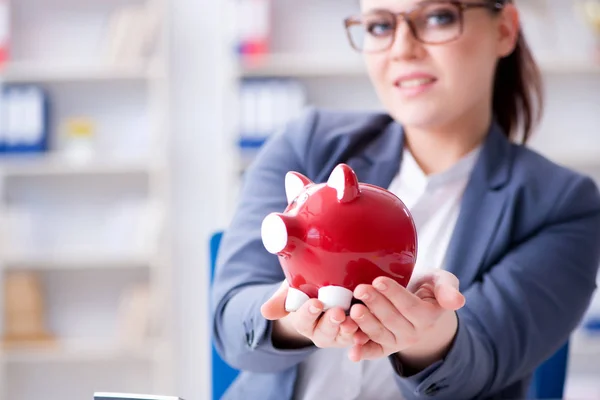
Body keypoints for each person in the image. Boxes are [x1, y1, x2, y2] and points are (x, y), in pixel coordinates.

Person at [211, 0, 600, 399]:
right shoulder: (307, 145)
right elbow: (230, 322)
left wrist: (429, 337)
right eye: (380, 26)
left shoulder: (564, 206)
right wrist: (295, 317)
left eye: (437, 17)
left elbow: (484, 359)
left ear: (504, 30)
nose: (402, 48)